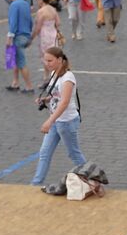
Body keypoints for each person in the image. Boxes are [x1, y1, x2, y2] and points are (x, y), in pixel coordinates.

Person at [31, 47, 86, 188]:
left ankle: (91, 177)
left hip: (66, 122)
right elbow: (57, 95)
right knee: (44, 153)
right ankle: (35, 184)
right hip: (56, 121)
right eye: (45, 60)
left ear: (60, 60)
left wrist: (49, 121)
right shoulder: (54, 73)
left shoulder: (68, 77)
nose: (47, 63)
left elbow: (65, 101)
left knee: (73, 153)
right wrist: (46, 99)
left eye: (50, 60)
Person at [5, 0, 34, 92]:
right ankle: (15, 82)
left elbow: (13, 23)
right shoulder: (25, 3)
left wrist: (9, 38)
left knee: (21, 62)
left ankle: (29, 86)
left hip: (18, 36)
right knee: (15, 60)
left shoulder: (13, 5)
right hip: (26, 34)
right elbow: (30, 21)